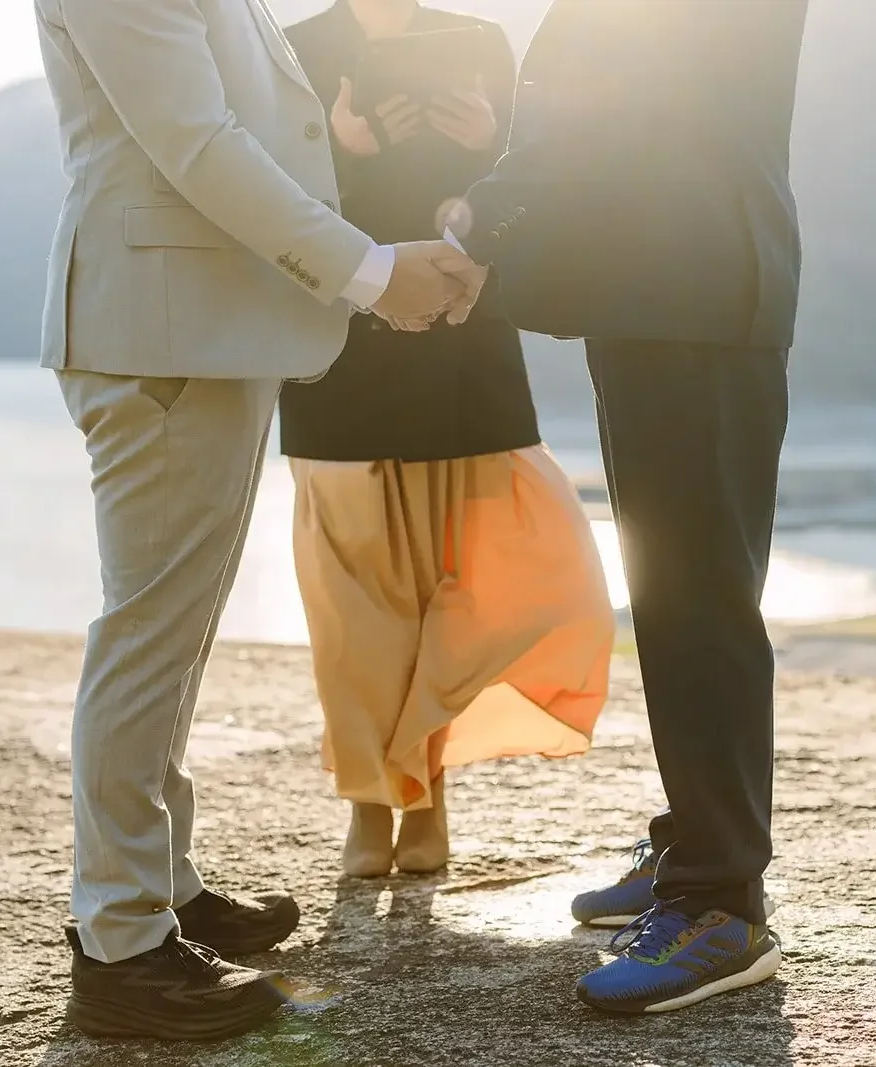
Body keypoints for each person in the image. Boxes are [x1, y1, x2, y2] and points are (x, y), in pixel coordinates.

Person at [32, 0, 481, 1042]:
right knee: (147, 633)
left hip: (199, 329)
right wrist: (369, 271)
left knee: (173, 634)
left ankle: (165, 885)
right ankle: (121, 943)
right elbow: (197, 142)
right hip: (160, 336)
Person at [441, 0, 810, 1014]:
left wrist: (486, 205)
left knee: (698, 597)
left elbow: (623, 102)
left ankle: (720, 903)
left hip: (695, 293)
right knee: (675, 588)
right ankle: (696, 844)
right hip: (665, 297)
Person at [279, 0, 614, 880]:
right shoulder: (295, 52)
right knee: (353, 610)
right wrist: (340, 153)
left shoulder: (480, 43)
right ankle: (369, 802)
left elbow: (529, 191)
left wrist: (484, 145)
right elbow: (269, 202)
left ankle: (424, 789)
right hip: (340, 356)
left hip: (464, 351)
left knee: (476, 587)